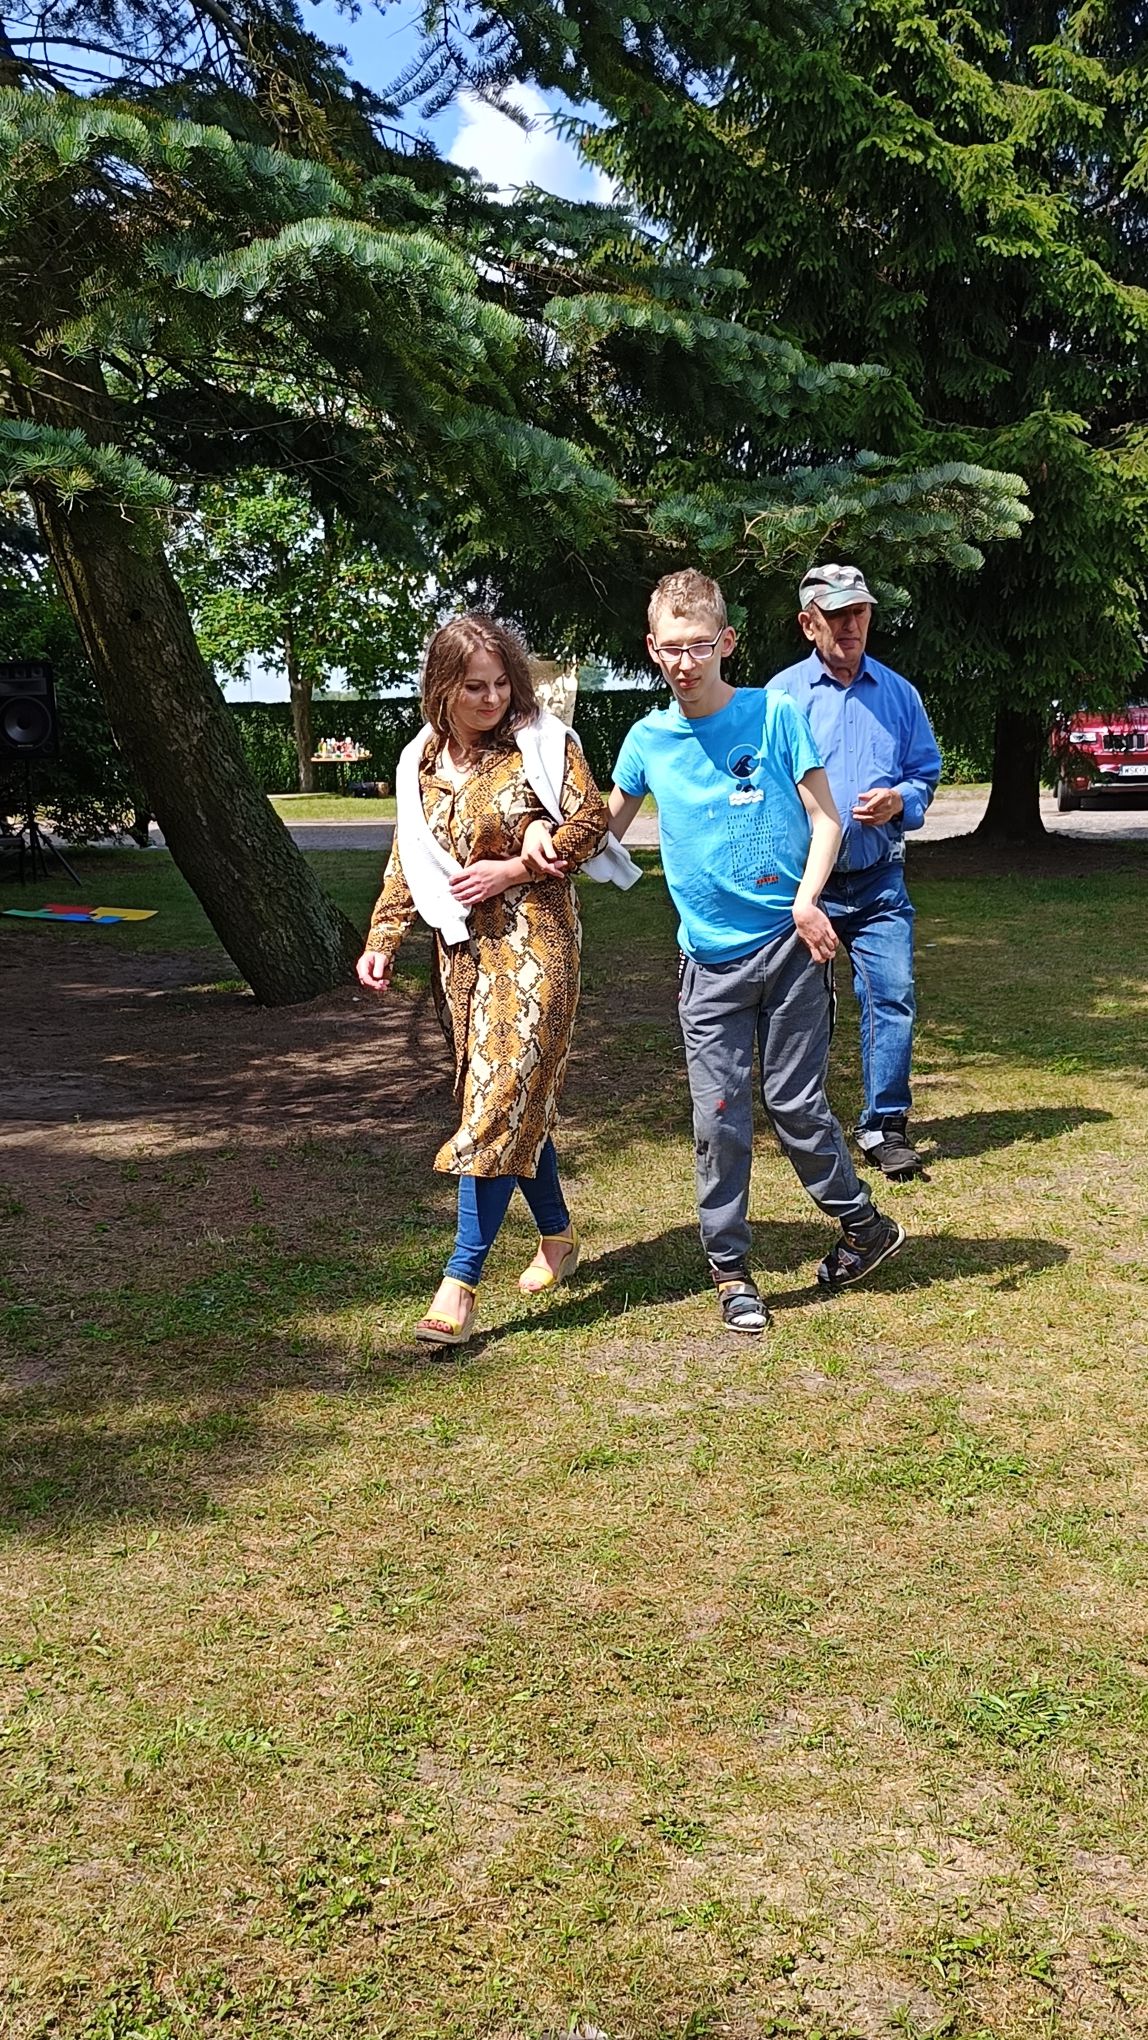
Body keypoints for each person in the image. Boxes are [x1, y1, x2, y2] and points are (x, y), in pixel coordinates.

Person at [528, 568, 905, 1333]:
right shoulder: (647, 740)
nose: (686, 661)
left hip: (792, 951)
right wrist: (543, 829)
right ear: (652, 649)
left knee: (797, 1107)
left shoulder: (774, 716)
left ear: (725, 642)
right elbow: (597, 831)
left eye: (699, 645)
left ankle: (862, 1223)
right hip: (707, 966)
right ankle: (731, 1270)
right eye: (671, 648)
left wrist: (808, 900)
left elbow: (827, 820)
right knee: (720, 1118)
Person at [357, 613, 639, 1346]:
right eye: (474, 687)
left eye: (501, 684)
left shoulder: (542, 743)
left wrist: (514, 866)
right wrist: (384, 937)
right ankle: (558, 1235)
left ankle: (459, 1283)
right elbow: (408, 854)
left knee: (497, 1099)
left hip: (537, 944)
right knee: (507, 1097)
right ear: (442, 689)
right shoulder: (419, 762)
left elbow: (590, 826)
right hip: (462, 958)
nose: (491, 699)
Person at [768, 564, 942, 1180]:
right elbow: (759, 786)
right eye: (836, 614)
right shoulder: (780, 698)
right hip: (804, 887)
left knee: (892, 995)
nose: (850, 625)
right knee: (795, 1010)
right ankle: (799, 1122)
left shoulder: (900, 695)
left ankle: (885, 1126)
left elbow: (924, 774)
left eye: (859, 612)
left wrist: (901, 800)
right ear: (807, 623)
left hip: (877, 882)